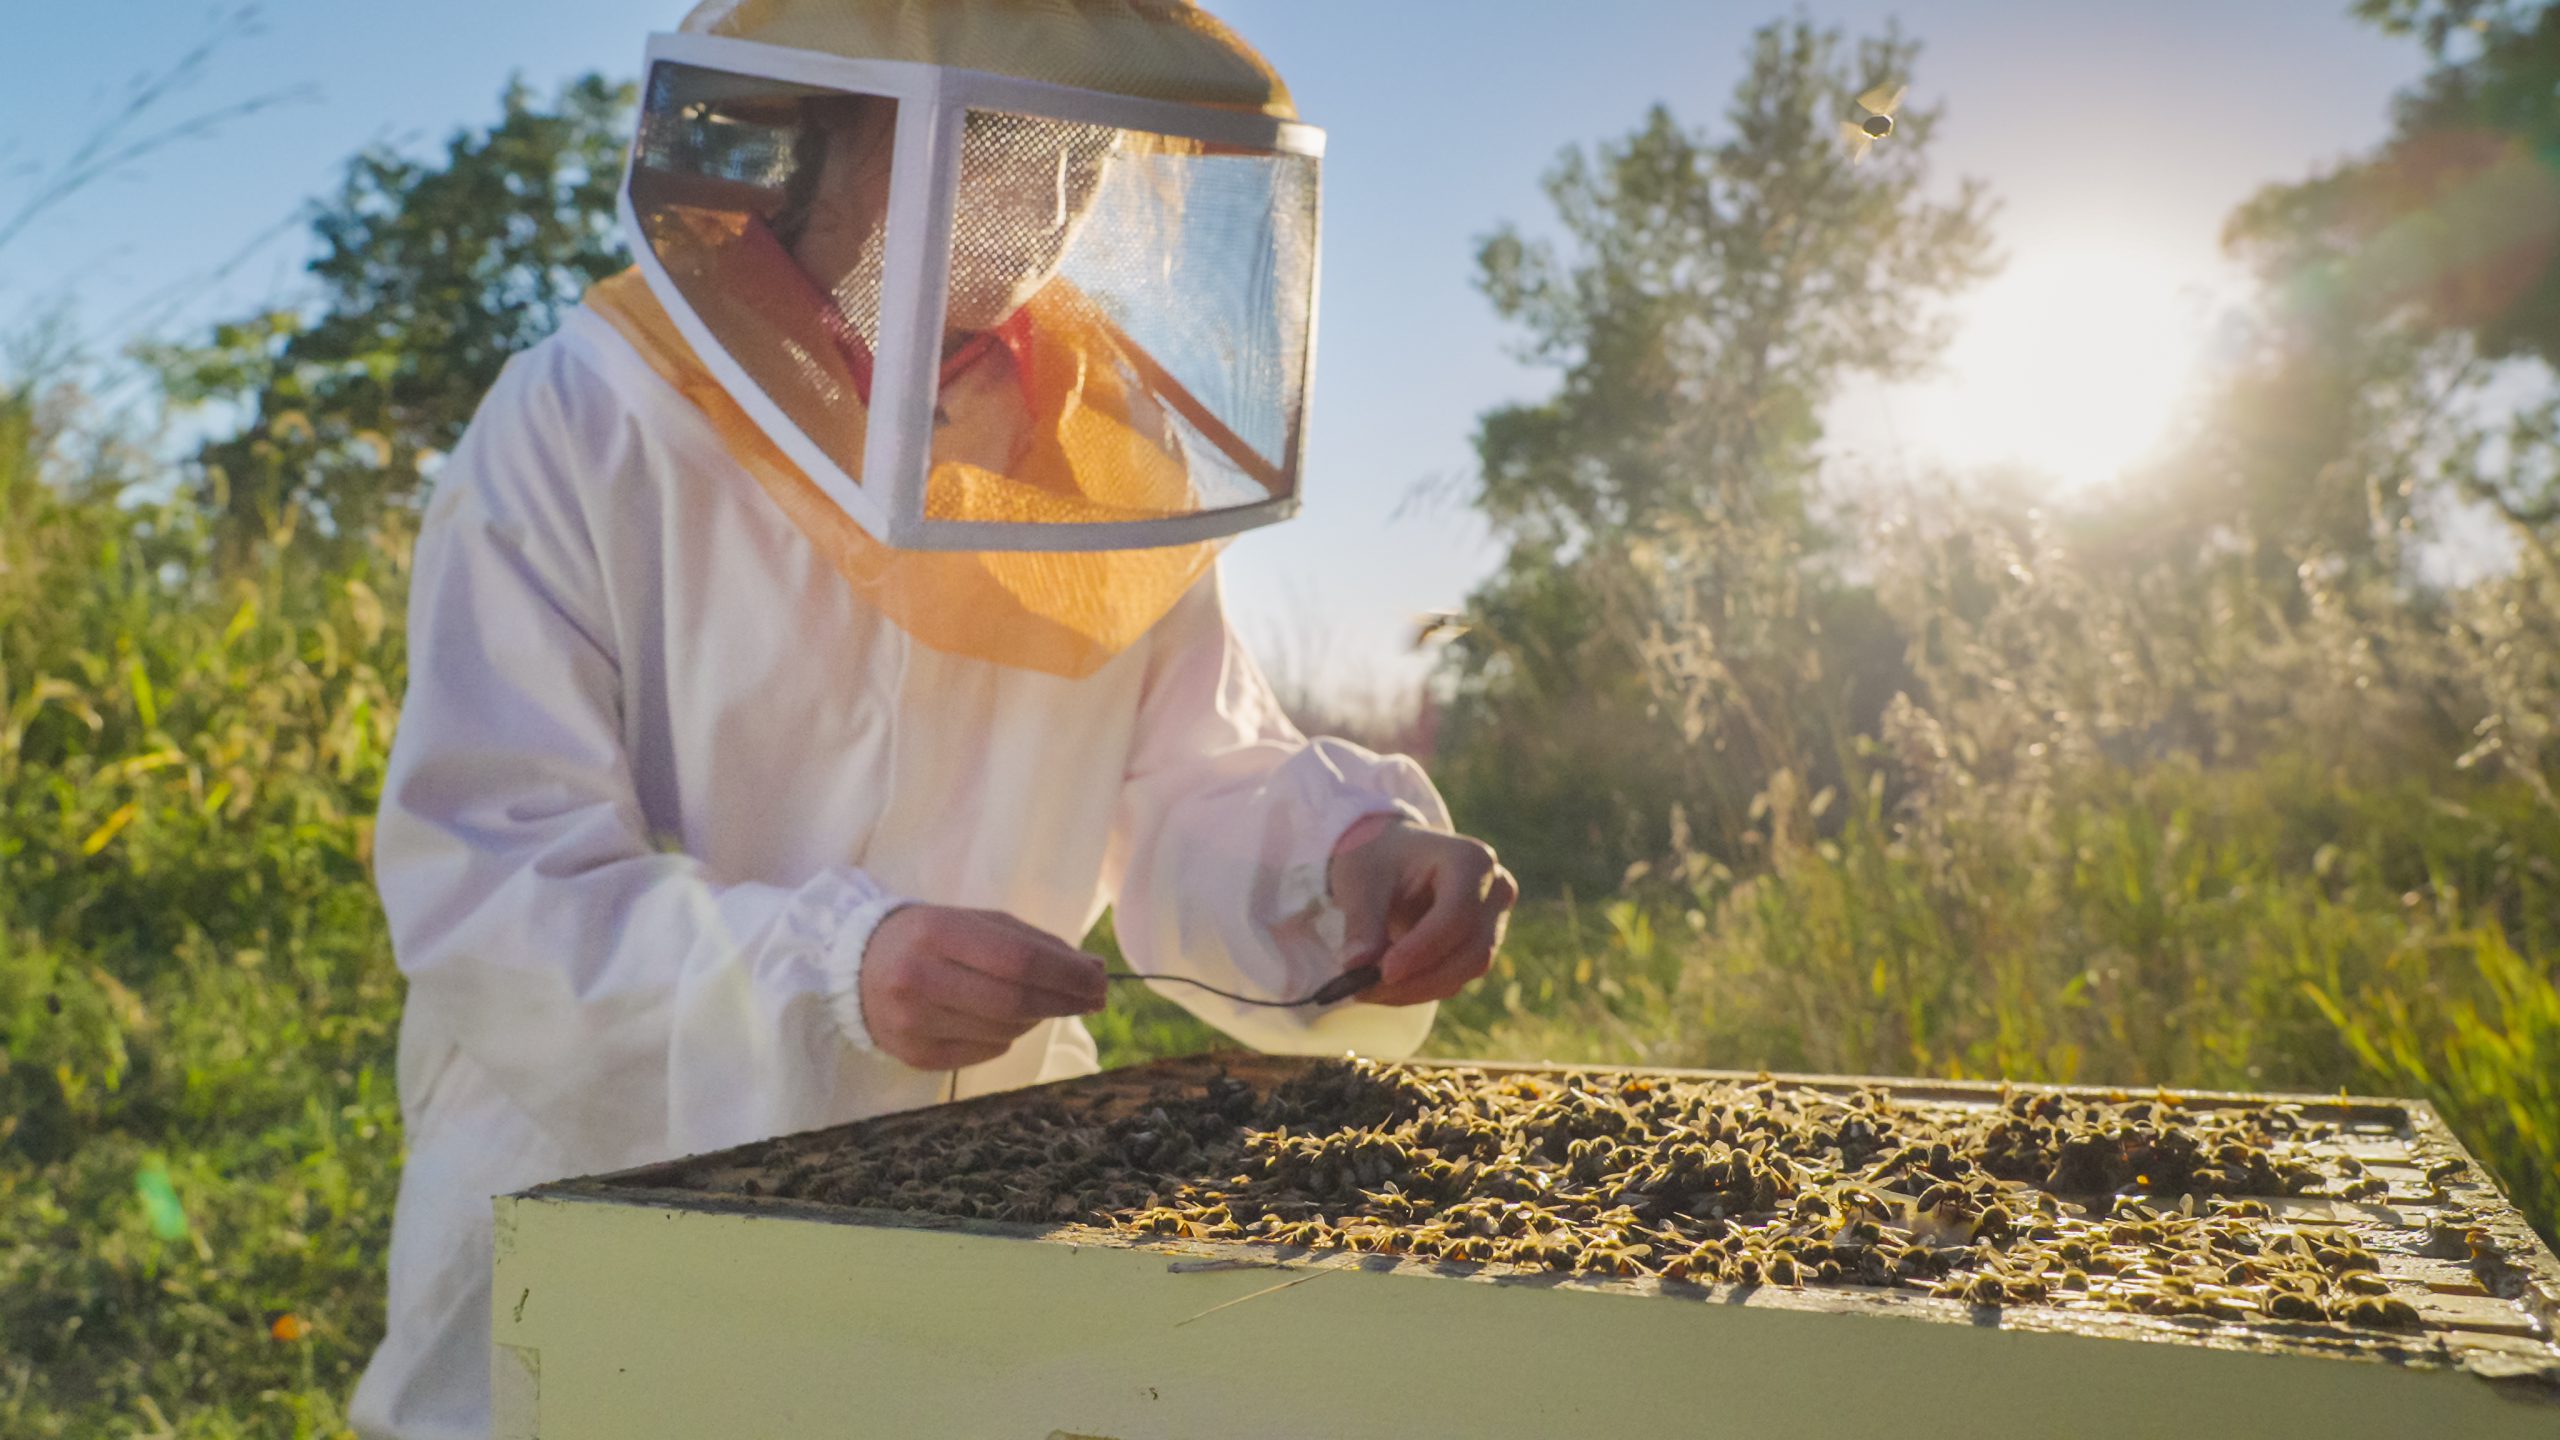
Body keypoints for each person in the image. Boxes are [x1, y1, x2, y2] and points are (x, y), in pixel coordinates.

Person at [349, 2, 1517, 1436]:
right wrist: (835, 974)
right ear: (832, 117)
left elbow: (1191, 775)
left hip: (983, 1195)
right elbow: (494, 881)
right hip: (607, 1201)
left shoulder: (1109, 446)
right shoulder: (589, 417)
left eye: (1085, 146)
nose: (1055, 193)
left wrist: (1342, 858)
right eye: (1007, 133)